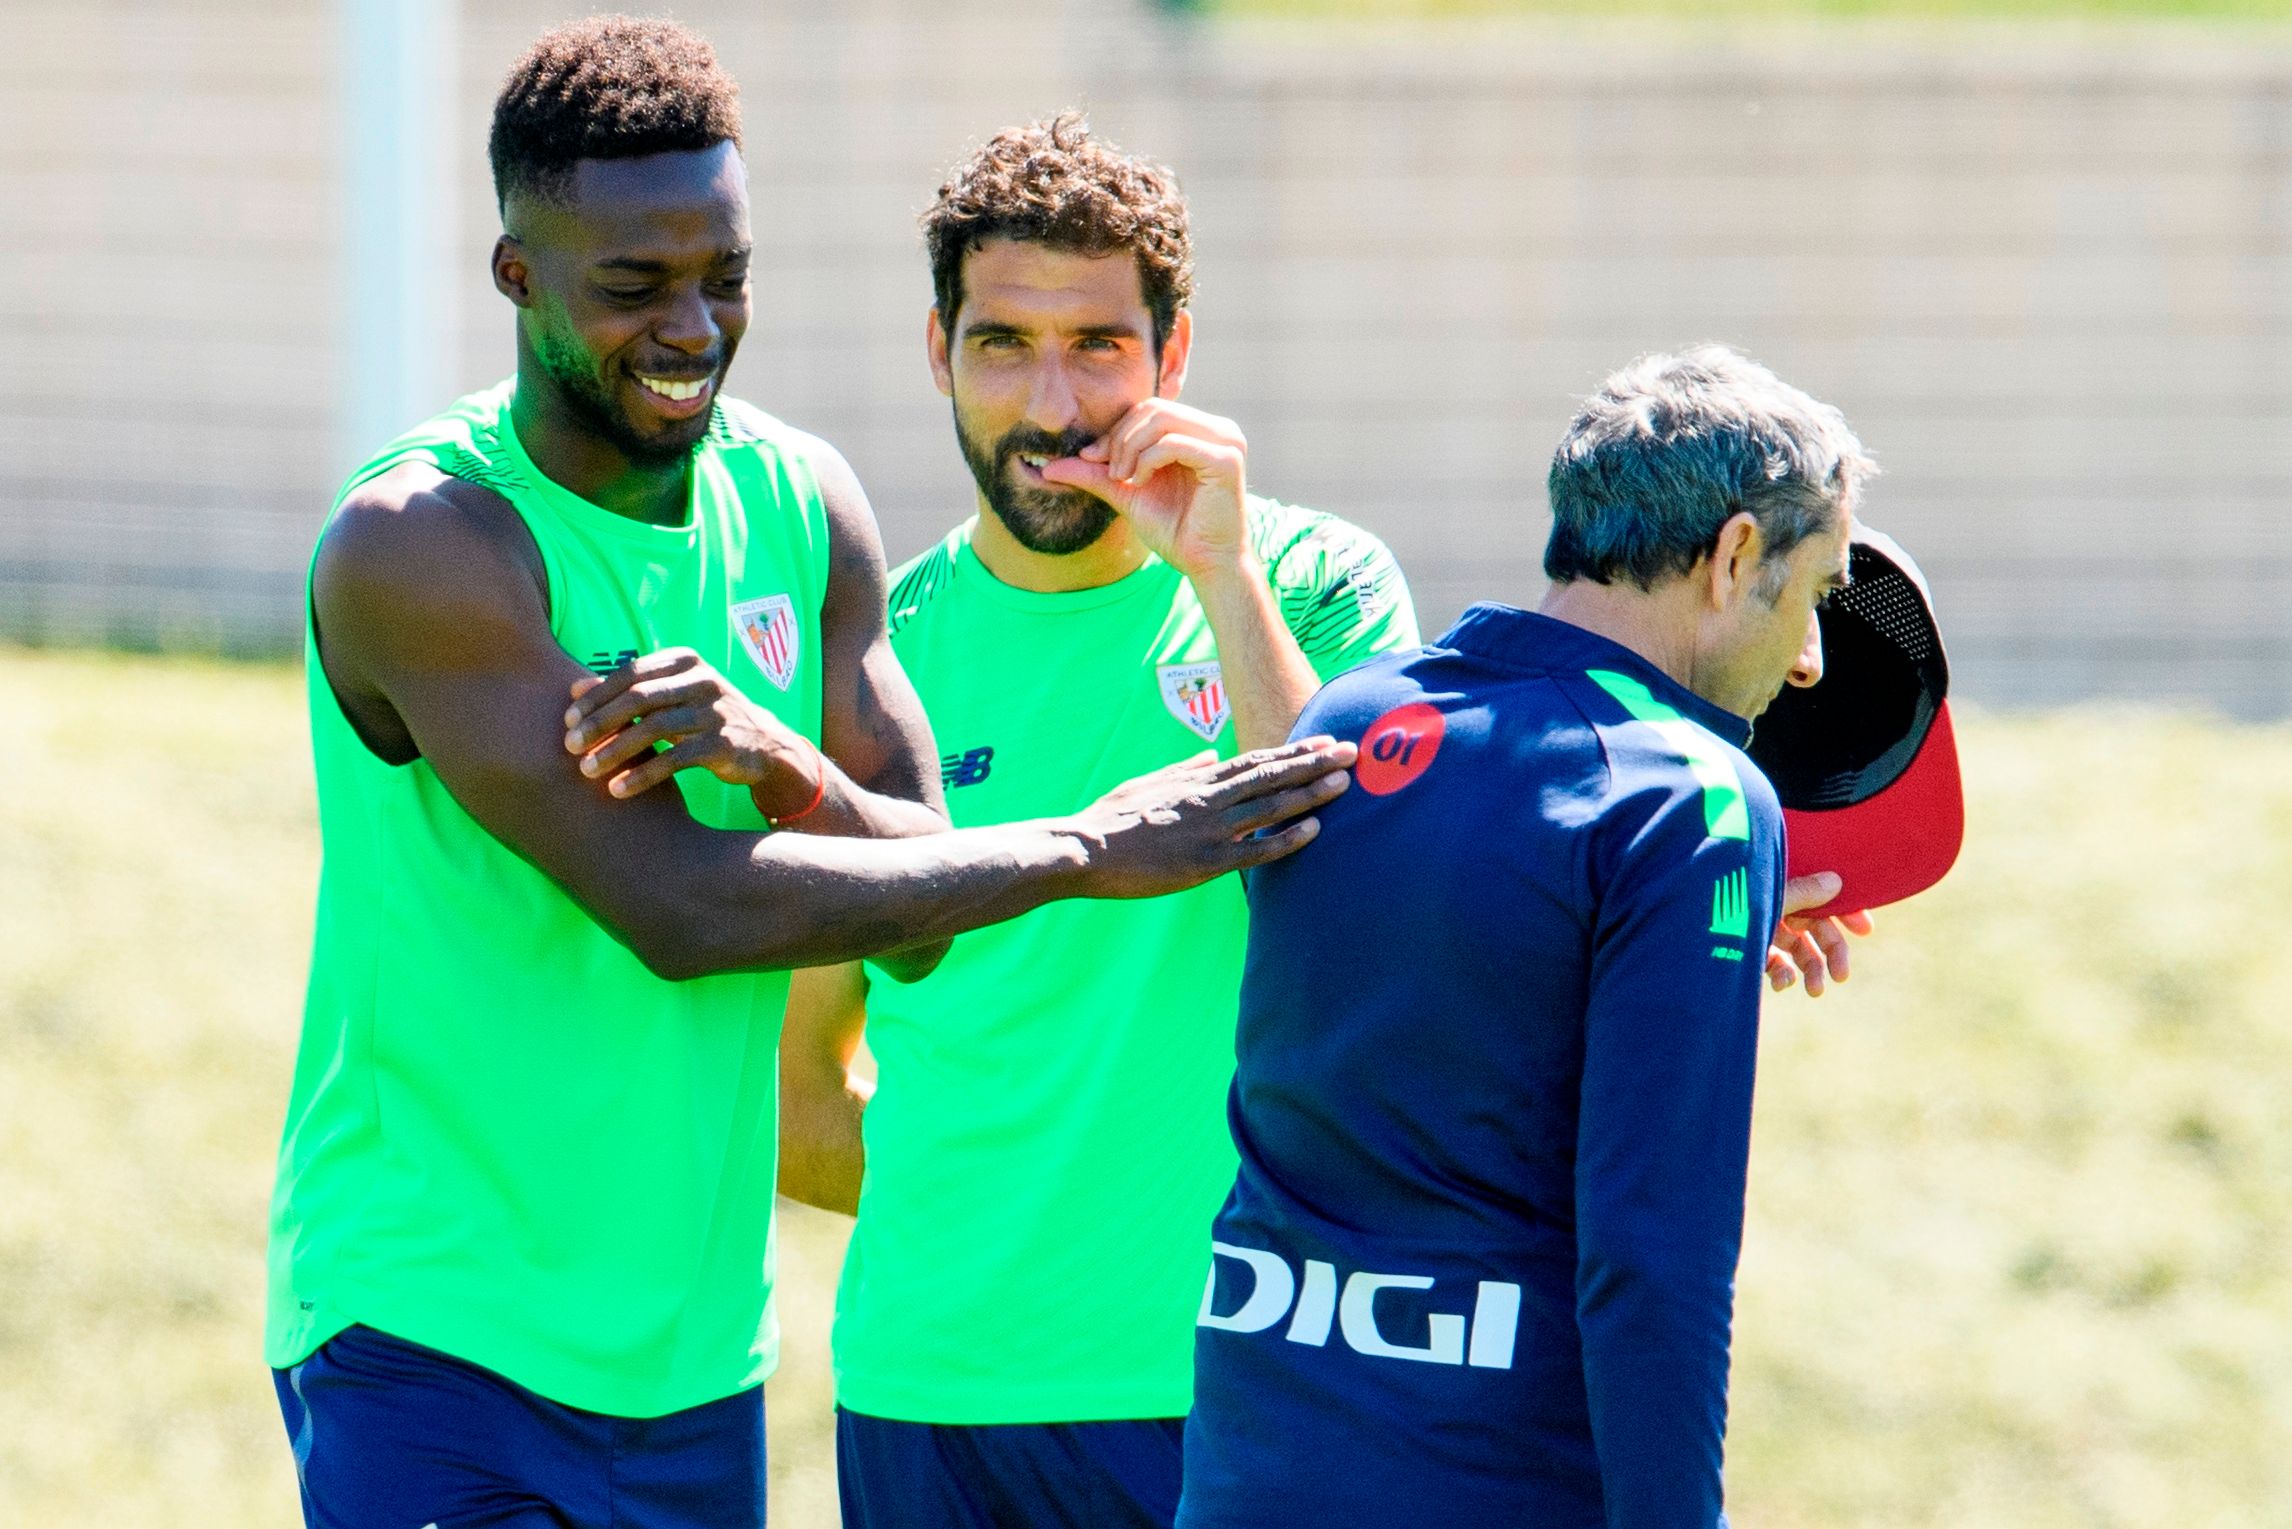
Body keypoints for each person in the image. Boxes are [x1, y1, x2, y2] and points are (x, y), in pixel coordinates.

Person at [264, 24, 1351, 1529]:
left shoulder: (800, 504)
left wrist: (780, 763)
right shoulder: (423, 544)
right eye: (634, 288)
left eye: (725, 275)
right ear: (518, 277)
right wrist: (1089, 847)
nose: (692, 328)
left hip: (696, 1358)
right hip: (435, 1327)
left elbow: (913, 914)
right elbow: (682, 910)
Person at [767, 115, 1423, 1529]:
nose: (1052, 404)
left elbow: (1366, 893)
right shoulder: (874, 654)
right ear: (936, 351)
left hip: (1236, 1377)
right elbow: (799, 1089)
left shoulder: (1311, 580)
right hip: (929, 1389)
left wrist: (1221, 574)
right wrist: (1001, 1211)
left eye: (1100, 348)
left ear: (1173, 357)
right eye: (1003, 344)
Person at [1178, 346, 1877, 1529]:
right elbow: (1654, 1260)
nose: (1810, 658)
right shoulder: (1696, 795)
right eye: (1817, 594)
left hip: (1251, 1471)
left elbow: (1451, 1003)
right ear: (1736, 554)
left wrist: (1667, 955)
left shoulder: (1357, 714)